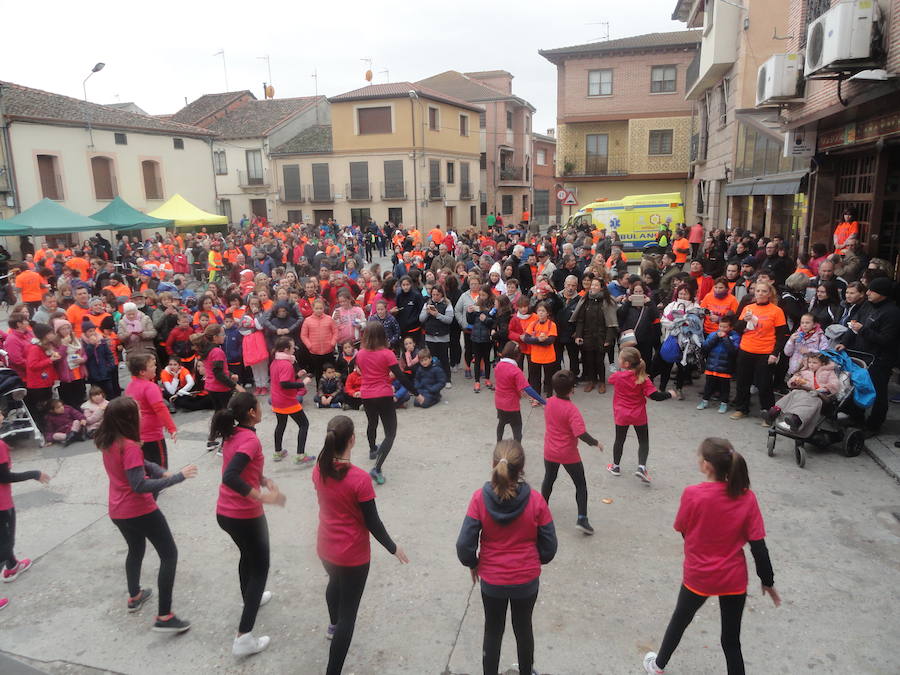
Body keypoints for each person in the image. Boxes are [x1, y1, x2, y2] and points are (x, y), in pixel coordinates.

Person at [643, 437, 779, 675]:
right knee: (731, 642)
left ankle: (658, 665)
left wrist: (698, 547)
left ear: (707, 465)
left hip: (699, 576)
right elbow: (758, 546)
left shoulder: (693, 494)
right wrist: (767, 581)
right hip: (733, 578)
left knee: (679, 621)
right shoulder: (747, 497)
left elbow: (683, 528)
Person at [312, 415, 409, 675]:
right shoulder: (359, 479)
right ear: (352, 440)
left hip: (325, 547)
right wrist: (393, 547)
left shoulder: (318, 468)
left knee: (334, 582)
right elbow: (373, 522)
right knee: (349, 614)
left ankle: (332, 626)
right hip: (352, 555)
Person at [456, 439, 557, 675]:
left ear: (492, 464)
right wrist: (532, 559)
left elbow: (464, 545)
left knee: (492, 630)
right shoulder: (536, 500)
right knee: (523, 629)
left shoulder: (479, 499)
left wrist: (473, 563)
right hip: (526, 581)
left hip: (492, 582)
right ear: (522, 468)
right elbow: (550, 547)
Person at [96, 397, 196, 633]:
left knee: (136, 549)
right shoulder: (128, 445)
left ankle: (135, 596)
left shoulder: (110, 440)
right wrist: (176, 477)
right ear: (129, 418)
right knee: (169, 555)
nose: (142, 414)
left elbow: (143, 463)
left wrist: (160, 471)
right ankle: (164, 616)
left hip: (118, 510)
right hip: (138, 510)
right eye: (138, 411)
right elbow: (139, 484)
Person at [212, 392, 287, 657]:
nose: (261, 406)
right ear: (253, 413)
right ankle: (243, 637)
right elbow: (231, 475)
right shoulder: (250, 440)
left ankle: (249, 599)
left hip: (226, 514)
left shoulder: (235, 434)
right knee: (260, 568)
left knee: (247, 556)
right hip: (245, 515)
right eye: (258, 404)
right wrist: (259, 495)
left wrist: (263, 479)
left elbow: (240, 466)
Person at [540, 370, 602, 535]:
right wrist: (595, 443)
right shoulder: (572, 410)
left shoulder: (549, 402)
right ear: (572, 390)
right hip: (568, 453)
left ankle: (539, 510)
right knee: (580, 485)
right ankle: (582, 518)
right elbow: (580, 433)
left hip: (550, 450)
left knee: (549, 479)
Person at [356, 322, 415, 485]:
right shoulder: (387, 353)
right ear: (383, 335)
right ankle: (377, 467)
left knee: (372, 423)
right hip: (383, 394)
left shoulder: (360, 354)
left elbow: (362, 370)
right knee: (390, 433)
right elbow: (401, 376)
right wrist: (416, 392)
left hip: (366, 395)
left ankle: (372, 449)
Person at [0, 414, 51, 598]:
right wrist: (34, 473)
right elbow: (4, 477)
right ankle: (9, 563)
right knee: (5, 544)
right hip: (1, 505)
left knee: (3, 539)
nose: (2, 415)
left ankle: (12, 565)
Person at [607, 346, 672, 483]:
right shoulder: (643, 378)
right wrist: (669, 394)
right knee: (643, 441)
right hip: (639, 414)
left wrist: (620, 372)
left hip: (621, 414)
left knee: (619, 440)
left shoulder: (617, 377)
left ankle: (615, 466)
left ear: (626, 364)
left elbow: (611, 380)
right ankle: (641, 467)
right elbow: (655, 396)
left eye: (620, 358)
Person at [730, 282, 787, 423]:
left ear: (769, 294)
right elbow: (737, 328)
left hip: (765, 352)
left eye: (763, 291)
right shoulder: (748, 308)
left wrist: (775, 353)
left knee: (764, 384)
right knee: (743, 381)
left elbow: (781, 336)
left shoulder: (776, 311)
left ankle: (768, 413)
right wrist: (744, 320)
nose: (760, 293)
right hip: (746, 349)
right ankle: (741, 409)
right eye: (758, 291)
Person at [124, 353, 177, 469]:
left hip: (137, 433)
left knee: (145, 466)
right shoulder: (150, 387)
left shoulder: (130, 387)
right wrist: (171, 428)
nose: (156, 367)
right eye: (152, 366)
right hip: (153, 435)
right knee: (160, 468)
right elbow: (161, 409)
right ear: (142, 372)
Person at [269, 336, 313, 464]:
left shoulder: (275, 362)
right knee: (304, 424)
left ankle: (278, 452)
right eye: (293, 347)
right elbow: (285, 384)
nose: (295, 349)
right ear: (287, 349)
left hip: (276, 399)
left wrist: (295, 375)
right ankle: (300, 455)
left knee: (281, 424)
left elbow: (281, 380)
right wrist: (302, 383)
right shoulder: (286, 364)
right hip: (287, 401)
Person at [697, 314, 740, 413]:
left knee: (725, 387)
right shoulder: (713, 334)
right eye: (721, 326)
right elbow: (705, 347)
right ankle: (704, 401)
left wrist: (725, 338)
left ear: (731, 327)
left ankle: (724, 403)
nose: (722, 329)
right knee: (708, 385)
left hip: (725, 367)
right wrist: (716, 337)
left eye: (725, 327)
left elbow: (733, 351)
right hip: (711, 365)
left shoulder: (735, 336)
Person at [522, 302, 558, 399]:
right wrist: (538, 339)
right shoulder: (533, 324)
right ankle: (536, 397)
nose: (541, 313)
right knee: (535, 379)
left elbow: (551, 341)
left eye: (543, 311)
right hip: (535, 357)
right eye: (539, 311)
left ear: (548, 313)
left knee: (549, 378)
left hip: (548, 357)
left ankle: (549, 397)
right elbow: (526, 339)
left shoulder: (552, 325)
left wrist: (536, 340)